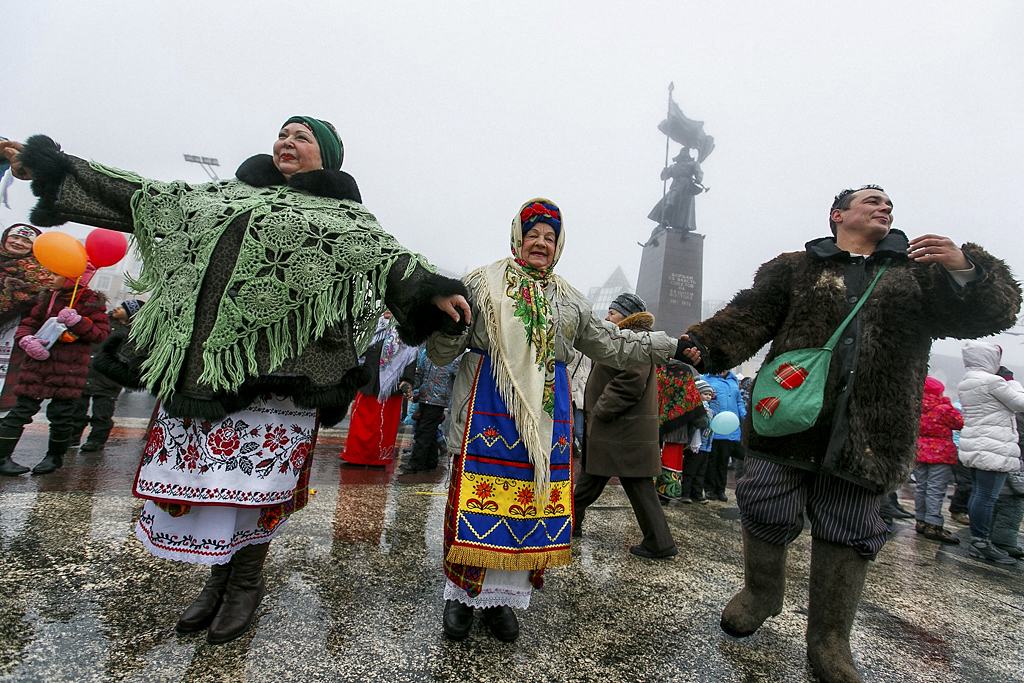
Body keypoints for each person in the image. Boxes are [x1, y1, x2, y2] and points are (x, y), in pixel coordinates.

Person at [1, 118, 470, 644]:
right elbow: (140, 195)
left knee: (255, 487)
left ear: (327, 156)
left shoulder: (345, 219)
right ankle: (217, 580)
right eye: (284, 134)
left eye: (302, 137)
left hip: (282, 377)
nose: (287, 143)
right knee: (210, 487)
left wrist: (434, 291)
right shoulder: (220, 197)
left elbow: (393, 262)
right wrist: (52, 165)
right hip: (206, 372)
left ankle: (246, 581)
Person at [685, 185, 1020, 683]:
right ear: (838, 214)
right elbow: (749, 316)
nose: (885, 207)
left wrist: (965, 269)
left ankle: (829, 639)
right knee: (764, 502)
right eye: (872, 200)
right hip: (788, 420)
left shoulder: (919, 273)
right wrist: (702, 345)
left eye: (889, 204)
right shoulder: (795, 267)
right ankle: (762, 592)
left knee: (849, 526)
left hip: (871, 430)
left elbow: (992, 314)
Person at [424, 199, 700, 643]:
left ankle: (500, 600)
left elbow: (614, 343)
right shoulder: (479, 283)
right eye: (533, 234)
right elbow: (441, 353)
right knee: (477, 501)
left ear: (559, 245)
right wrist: (446, 322)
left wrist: (671, 345)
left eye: (549, 237)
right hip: (485, 412)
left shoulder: (570, 299)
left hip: (545, 421)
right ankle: (461, 596)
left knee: (528, 506)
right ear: (518, 237)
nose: (541, 243)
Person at [573, 293, 678, 558]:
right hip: (619, 432)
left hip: (618, 431)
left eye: (612, 313)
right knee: (598, 481)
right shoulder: (628, 338)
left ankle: (567, 525)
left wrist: (601, 409)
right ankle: (658, 541)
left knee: (597, 482)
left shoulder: (637, 339)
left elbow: (632, 381)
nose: (607, 317)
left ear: (627, 316)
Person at [0, 265, 109, 476]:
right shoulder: (47, 297)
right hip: (37, 367)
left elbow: (100, 334)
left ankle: (54, 458)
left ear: (73, 278)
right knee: (20, 411)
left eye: (56, 274)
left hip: (69, 370)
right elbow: (29, 323)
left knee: (61, 416)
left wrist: (77, 322)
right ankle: (2, 457)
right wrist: (26, 339)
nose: (49, 278)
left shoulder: (91, 302)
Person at [958, 342, 1024, 565]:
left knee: (979, 494)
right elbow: (1021, 403)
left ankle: (979, 540)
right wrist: (1012, 382)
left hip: (977, 444)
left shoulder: (967, 381)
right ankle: (981, 542)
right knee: (987, 497)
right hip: (993, 447)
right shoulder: (992, 381)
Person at [340, 312, 418, 466]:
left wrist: (407, 381)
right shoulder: (372, 328)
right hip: (368, 384)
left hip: (390, 390)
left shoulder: (408, 334)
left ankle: (378, 458)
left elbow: (411, 359)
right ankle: (355, 456)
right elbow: (359, 353)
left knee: (383, 426)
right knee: (360, 423)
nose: (388, 311)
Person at [70, 299, 145, 451]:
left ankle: (96, 441)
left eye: (123, 308)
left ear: (132, 314)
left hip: (109, 380)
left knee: (102, 414)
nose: (117, 308)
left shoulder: (133, 334)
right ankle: (72, 437)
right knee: (77, 410)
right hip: (87, 372)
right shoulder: (103, 323)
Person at [0, 224, 53, 408]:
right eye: (15, 237)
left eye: (25, 241)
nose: (18, 243)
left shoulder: (40, 272)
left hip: (12, 332)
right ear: (5, 237)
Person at [913, 377, 963, 544]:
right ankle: (933, 525)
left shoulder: (916, 406)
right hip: (940, 454)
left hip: (920, 451)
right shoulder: (943, 408)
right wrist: (947, 404)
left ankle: (920, 521)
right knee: (935, 489)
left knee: (921, 487)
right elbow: (959, 423)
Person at [399, 346, 460, 473]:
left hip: (437, 402)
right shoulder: (428, 357)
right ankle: (431, 461)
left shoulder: (452, 359)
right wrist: (410, 386)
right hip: (424, 398)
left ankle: (416, 463)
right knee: (429, 432)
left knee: (424, 432)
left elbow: (458, 378)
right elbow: (419, 376)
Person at [654, 362, 706, 504]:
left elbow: (692, 394)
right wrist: (700, 417)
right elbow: (693, 395)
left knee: (662, 455)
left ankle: (656, 492)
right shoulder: (659, 368)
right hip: (675, 422)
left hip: (665, 422)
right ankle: (663, 493)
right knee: (667, 457)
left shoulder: (657, 368)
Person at [703, 368, 746, 502]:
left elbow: (739, 402)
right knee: (712, 461)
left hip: (730, 428)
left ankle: (721, 490)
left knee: (723, 461)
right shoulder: (706, 378)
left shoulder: (733, 380)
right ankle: (709, 489)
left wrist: (744, 418)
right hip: (714, 426)